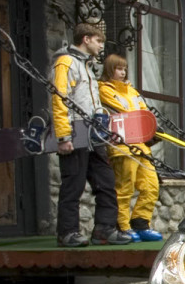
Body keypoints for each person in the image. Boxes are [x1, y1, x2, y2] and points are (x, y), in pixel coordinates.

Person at [51, 23, 129, 247]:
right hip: (75, 132)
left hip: (94, 134)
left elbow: (92, 102)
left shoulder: (88, 66)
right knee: (73, 184)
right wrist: (63, 137)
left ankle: (104, 229)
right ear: (86, 39)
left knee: (106, 181)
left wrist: (103, 129)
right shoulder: (66, 63)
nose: (101, 46)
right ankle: (67, 233)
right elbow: (59, 98)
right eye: (99, 41)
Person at [99, 55, 162, 241]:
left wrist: (151, 127)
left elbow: (145, 113)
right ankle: (123, 227)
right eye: (119, 69)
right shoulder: (104, 90)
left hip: (141, 146)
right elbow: (125, 114)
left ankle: (141, 222)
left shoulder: (132, 91)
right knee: (125, 188)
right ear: (110, 70)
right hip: (123, 146)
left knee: (151, 186)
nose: (123, 72)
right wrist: (144, 123)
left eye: (125, 69)